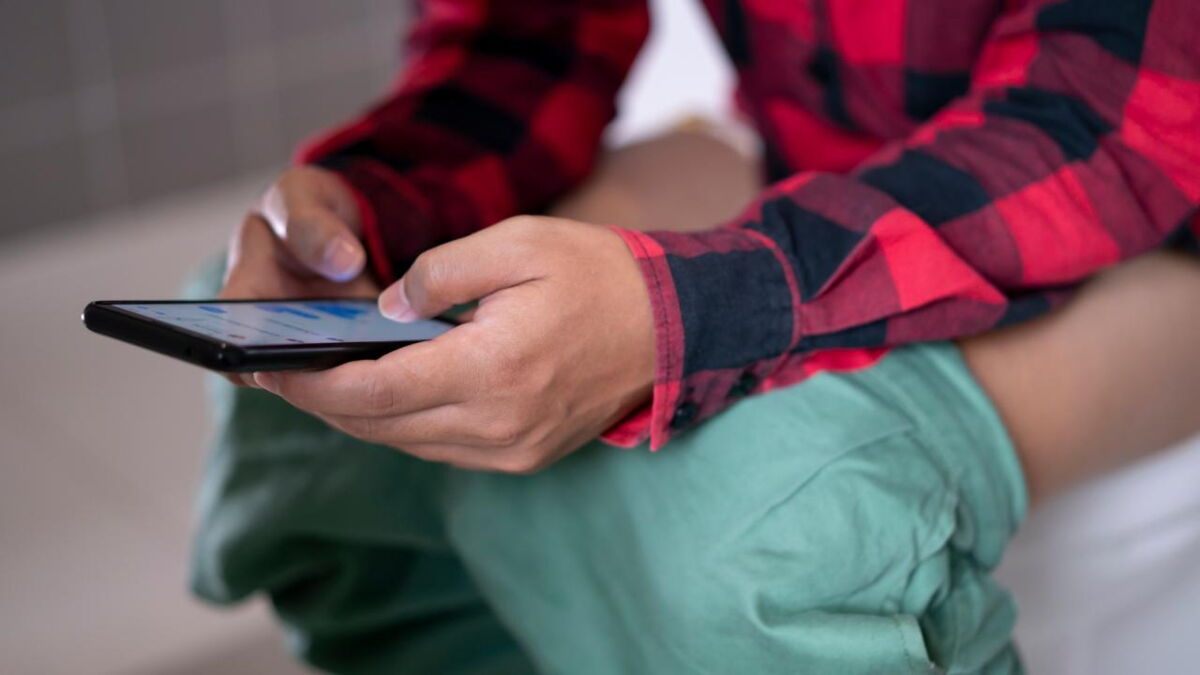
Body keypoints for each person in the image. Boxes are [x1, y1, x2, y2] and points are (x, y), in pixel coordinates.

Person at [196, 1, 1200, 672]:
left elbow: (1105, 119)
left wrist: (700, 312)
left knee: (778, 523)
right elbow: (527, 33)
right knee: (321, 410)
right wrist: (377, 200)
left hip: (1151, 210)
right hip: (821, 162)